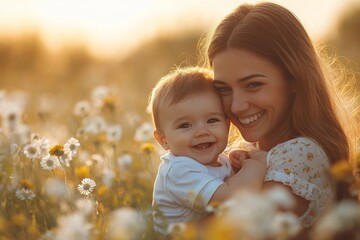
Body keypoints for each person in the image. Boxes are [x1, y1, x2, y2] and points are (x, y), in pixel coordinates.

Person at [204, 1, 358, 237]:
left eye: (253, 85)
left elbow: (217, 233)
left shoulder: (301, 156)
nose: (236, 105)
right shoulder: (245, 152)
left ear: (295, 79)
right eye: (224, 89)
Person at [148, 66, 267, 236]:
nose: (201, 131)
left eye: (212, 120)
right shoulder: (178, 170)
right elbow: (231, 199)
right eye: (185, 125)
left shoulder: (220, 160)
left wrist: (236, 163)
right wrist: (255, 166)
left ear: (227, 125)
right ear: (163, 140)